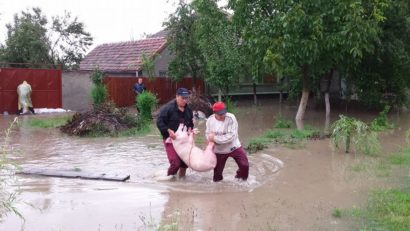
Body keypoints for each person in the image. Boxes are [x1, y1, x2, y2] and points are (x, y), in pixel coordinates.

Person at [206, 101, 249, 182]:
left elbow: (231, 136)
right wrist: (209, 139)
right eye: (220, 114)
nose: (223, 115)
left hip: (234, 147)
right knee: (217, 176)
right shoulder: (209, 120)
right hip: (219, 150)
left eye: (224, 113)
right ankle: (218, 190)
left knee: (244, 165)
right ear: (214, 113)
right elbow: (208, 134)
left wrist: (214, 138)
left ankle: (240, 179)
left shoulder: (231, 118)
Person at [156, 87, 194, 178]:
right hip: (170, 139)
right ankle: (170, 181)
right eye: (183, 98)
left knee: (185, 162)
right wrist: (168, 131)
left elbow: (190, 124)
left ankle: (181, 182)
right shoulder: (167, 108)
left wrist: (190, 129)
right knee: (175, 163)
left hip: (183, 140)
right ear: (177, 96)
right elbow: (159, 122)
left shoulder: (188, 110)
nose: (185, 100)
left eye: (186, 98)